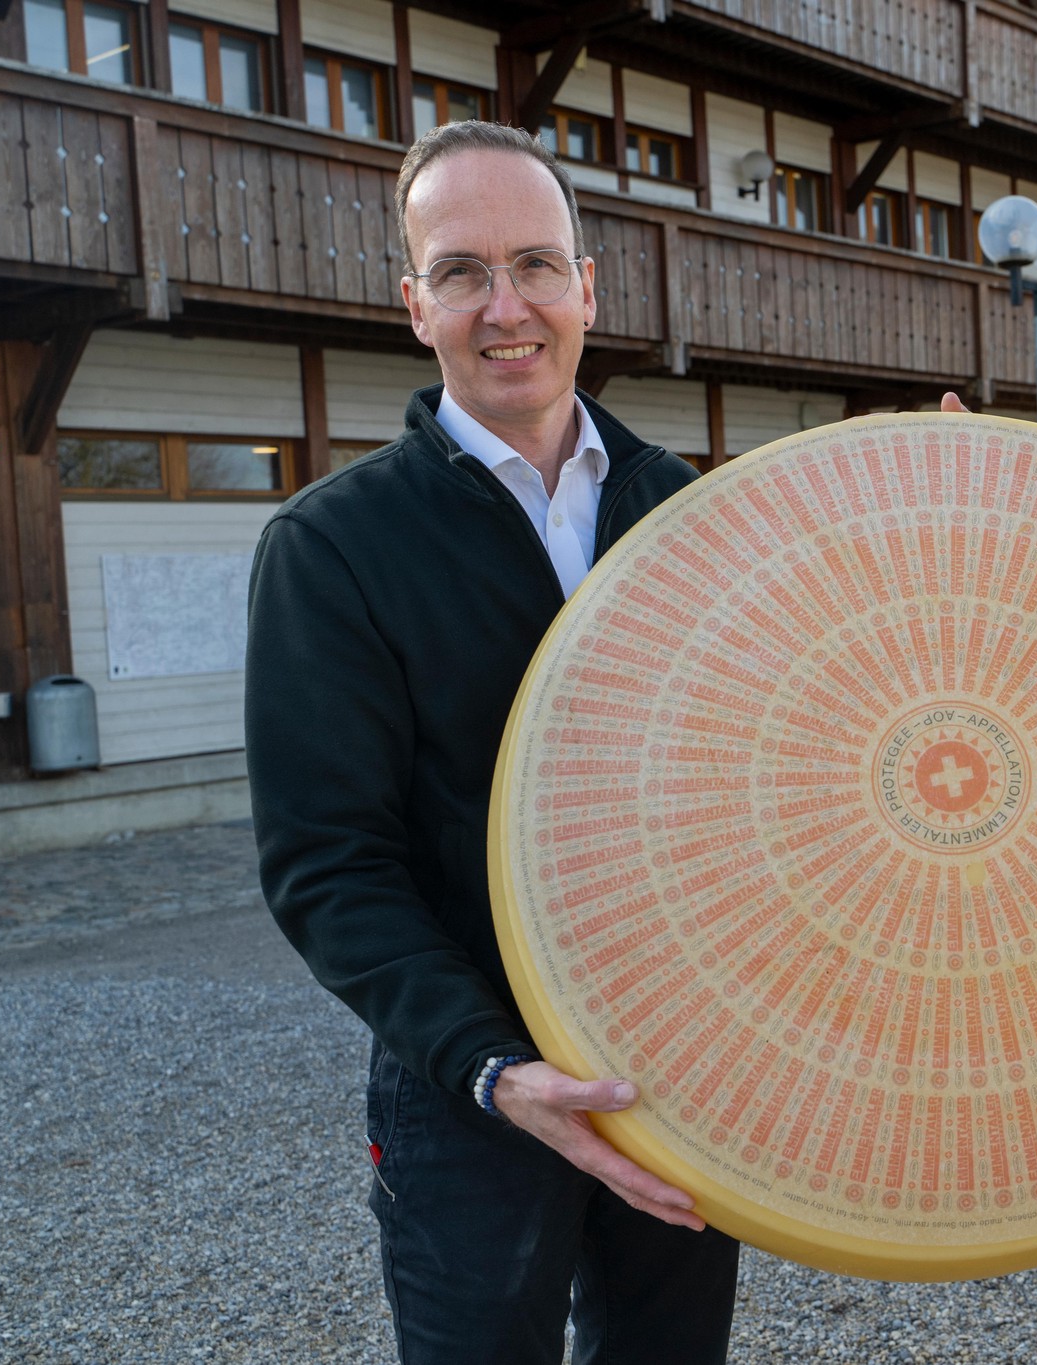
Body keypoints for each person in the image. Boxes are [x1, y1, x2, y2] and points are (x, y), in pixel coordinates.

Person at [245, 121, 739, 1365]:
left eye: (533, 264)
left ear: (589, 288)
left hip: (674, 1071)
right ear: (415, 305)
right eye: (461, 272)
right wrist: (492, 1068)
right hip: (470, 1098)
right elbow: (327, 864)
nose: (503, 305)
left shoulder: (692, 513)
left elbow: (812, 739)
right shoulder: (333, 547)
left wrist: (956, 483)